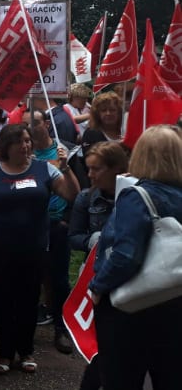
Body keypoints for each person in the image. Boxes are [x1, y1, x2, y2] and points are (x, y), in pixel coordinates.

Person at [0, 124, 78, 375]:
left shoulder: (45, 169)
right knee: (3, 300)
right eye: (20, 141)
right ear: (7, 146)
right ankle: (5, 353)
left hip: (34, 247)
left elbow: (71, 194)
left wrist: (67, 168)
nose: (26, 146)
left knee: (29, 300)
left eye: (28, 141)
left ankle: (26, 350)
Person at [89, 125, 182, 390]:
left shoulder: (136, 196)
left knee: (122, 377)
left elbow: (125, 255)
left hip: (131, 307)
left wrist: (98, 287)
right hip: (176, 302)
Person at [68, 141, 129, 390]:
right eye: (88, 168)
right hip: (96, 277)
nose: (90, 175)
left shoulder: (134, 196)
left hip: (128, 280)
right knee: (99, 343)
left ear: (116, 168)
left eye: (97, 169)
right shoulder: (86, 197)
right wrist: (92, 241)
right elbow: (73, 236)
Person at [24, 108, 78, 354]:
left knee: (59, 280)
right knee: (31, 277)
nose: (31, 129)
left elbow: (79, 192)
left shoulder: (65, 150)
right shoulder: (23, 153)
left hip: (58, 225)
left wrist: (64, 166)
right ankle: (26, 334)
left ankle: (61, 327)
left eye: (35, 123)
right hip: (31, 226)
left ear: (46, 123)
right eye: (26, 125)